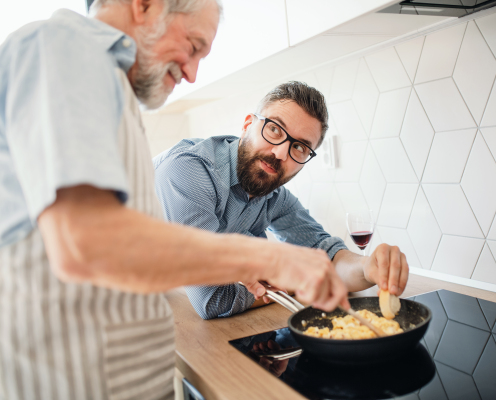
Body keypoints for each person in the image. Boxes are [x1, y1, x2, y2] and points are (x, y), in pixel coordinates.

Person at [0, 1, 348, 399]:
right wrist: (269, 258)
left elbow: (127, 251)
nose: (192, 72)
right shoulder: (63, 48)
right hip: (73, 381)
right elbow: (84, 244)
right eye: (194, 44)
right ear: (144, 5)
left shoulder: (111, 89)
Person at [153, 81, 410, 320]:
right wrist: (296, 279)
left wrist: (367, 268)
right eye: (275, 130)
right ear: (247, 125)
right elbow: (211, 299)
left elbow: (327, 256)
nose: (280, 153)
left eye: (299, 147)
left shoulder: (274, 196)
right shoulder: (188, 171)